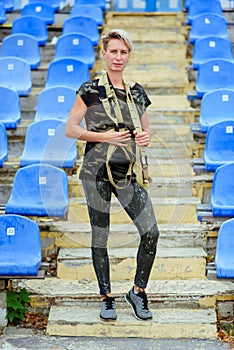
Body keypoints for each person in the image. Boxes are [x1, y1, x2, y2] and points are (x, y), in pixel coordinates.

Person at [66, 29, 160, 322]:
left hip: (126, 172)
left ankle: (137, 291)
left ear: (129, 55)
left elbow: (144, 132)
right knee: (100, 235)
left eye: (124, 52)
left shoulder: (137, 92)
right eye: (113, 51)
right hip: (95, 172)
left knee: (151, 231)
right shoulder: (89, 89)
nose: (118, 57)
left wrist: (144, 138)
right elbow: (69, 130)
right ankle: (107, 298)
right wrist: (103, 136)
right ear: (103, 54)